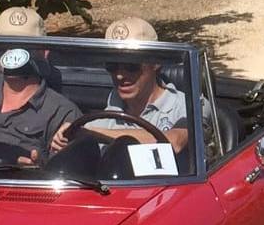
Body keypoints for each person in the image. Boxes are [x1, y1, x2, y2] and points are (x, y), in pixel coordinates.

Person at [53, 17, 213, 158]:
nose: (120, 76)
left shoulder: (191, 105)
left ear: (155, 63)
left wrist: (92, 135)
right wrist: (66, 144)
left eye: (131, 66)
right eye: (112, 66)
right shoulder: (105, 117)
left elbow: (174, 142)